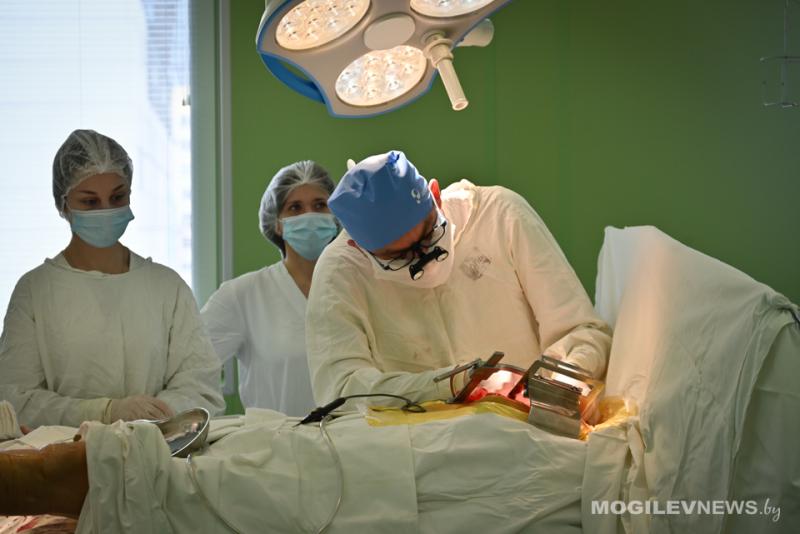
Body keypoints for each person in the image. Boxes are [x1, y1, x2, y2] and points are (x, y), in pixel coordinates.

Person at [306, 150, 613, 405]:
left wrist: (560, 383)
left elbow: (582, 331)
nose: (425, 258)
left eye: (429, 236)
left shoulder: (499, 215)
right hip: (418, 451)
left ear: (436, 196)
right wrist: (450, 385)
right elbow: (341, 391)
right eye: (400, 256)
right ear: (358, 247)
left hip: (528, 437)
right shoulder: (341, 272)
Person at [0, 129, 225, 428]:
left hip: (157, 450)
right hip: (69, 454)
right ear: (63, 205)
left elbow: (200, 386)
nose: (106, 210)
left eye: (117, 197)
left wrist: (156, 415)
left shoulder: (166, 287)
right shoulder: (35, 291)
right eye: (90, 202)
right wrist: (104, 412)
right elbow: (16, 400)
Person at [201, 161, 339, 416]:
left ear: (335, 216)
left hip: (350, 437)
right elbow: (189, 369)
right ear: (277, 223)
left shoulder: (355, 288)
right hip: (274, 440)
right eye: (295, 208)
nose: (309, 215)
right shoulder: (243, 295)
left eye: (320, 205)